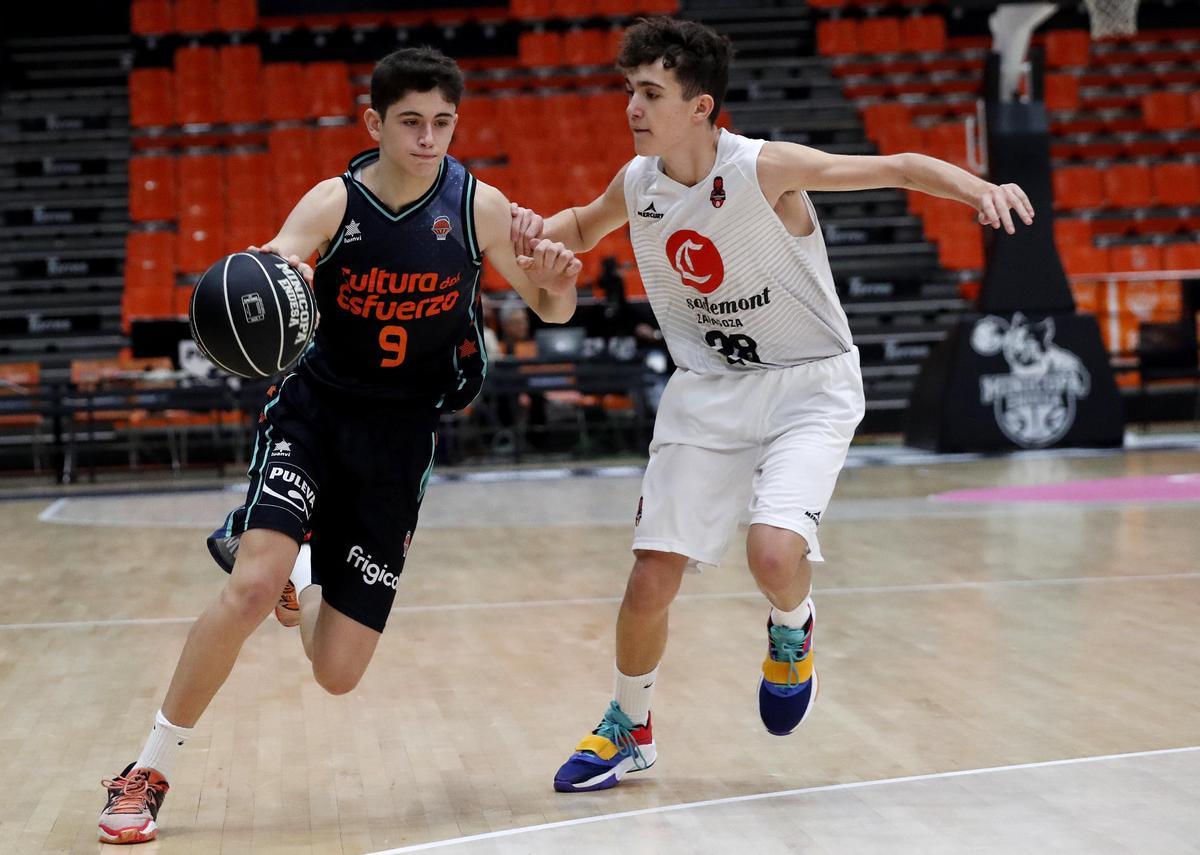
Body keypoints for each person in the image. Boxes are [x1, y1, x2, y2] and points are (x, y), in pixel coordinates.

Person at [508, 16, 1034, 793]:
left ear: (701, 107)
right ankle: (632, 724)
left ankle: (794, 626)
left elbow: (897, 166)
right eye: (630, 90)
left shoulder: (763, 168)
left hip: (808, 385)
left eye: (650, 93)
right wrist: (528, 243)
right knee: (650, 576)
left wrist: (980, 188)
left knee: (773, 555)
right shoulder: (638, 183)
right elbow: (580, 228)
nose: (632, 107)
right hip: (706, 391)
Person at [97, 46, 582, 844]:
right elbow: (282, 263)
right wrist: (273, 273)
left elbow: (549, 306)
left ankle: (305, 565)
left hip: (399, 439)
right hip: (315, 413)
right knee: (249, 588)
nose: (429, 138)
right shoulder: (335, 201)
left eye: (442, 123)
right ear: (374, 124)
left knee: (337, 673)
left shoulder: (478, 208)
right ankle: (148, 768)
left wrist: (556, 277)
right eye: (411, 123)